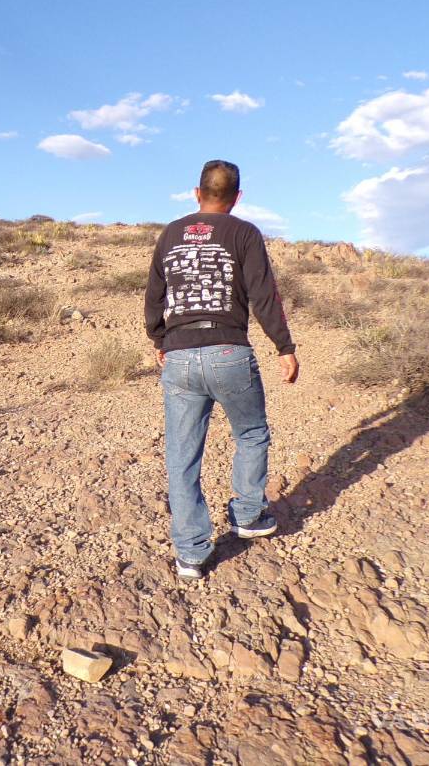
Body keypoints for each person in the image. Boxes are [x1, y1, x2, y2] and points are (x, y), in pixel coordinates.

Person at [144, 159, 299, 581]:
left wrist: (159, 340)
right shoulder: (244, 233)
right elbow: (264, 295)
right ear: (237, 198)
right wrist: (284, 347)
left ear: (197, 193)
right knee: (251, 433)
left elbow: (154, 295)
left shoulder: (171, 233)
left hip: (179, 354)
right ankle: (248, 515)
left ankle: (191, 554)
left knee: (182, 455)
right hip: (230, 352)